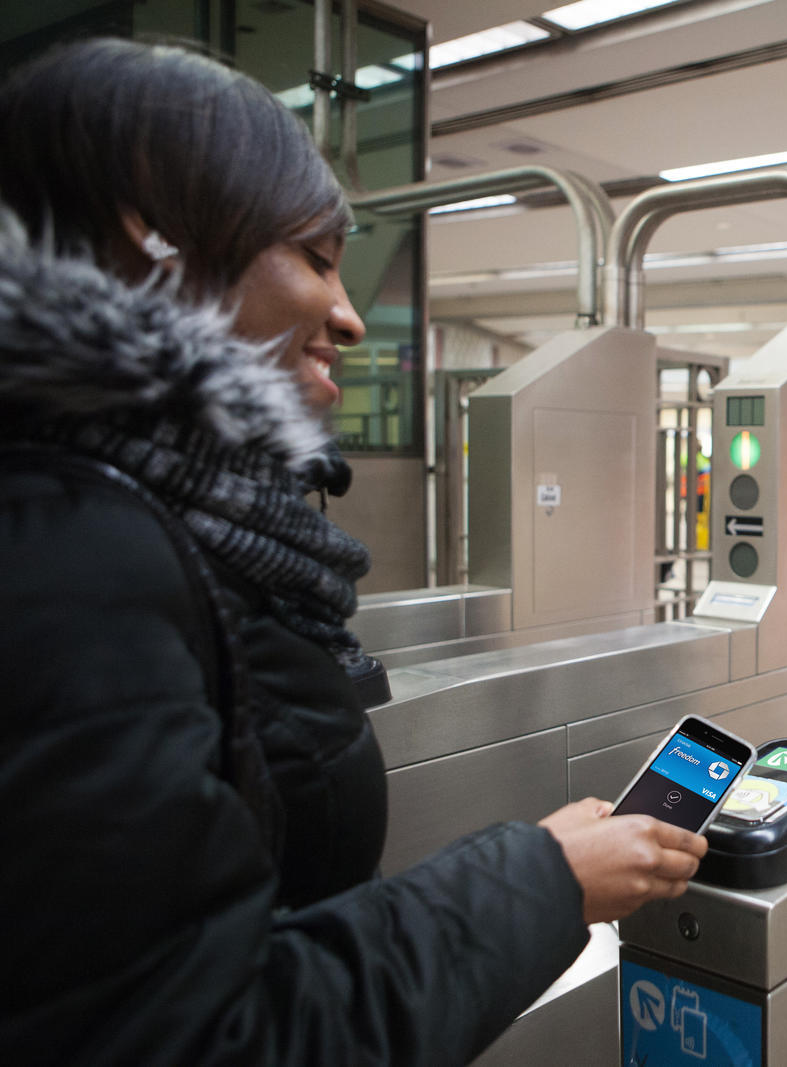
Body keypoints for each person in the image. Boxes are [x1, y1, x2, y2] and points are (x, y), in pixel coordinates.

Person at [0, 38, 705, 1064]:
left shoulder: (157, 522)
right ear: (151, 236)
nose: (347, 316)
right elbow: (192, 1036)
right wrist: (545, 875)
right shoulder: (75, 560)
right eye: (317, 258)